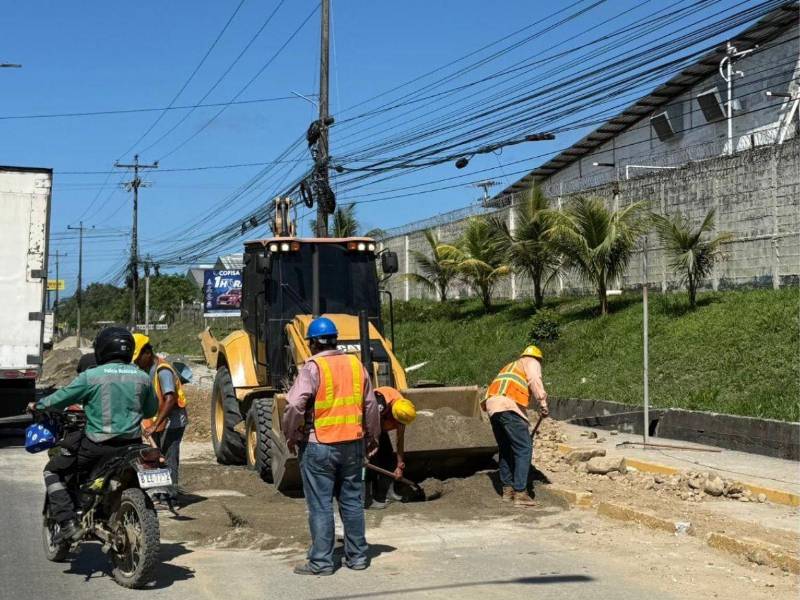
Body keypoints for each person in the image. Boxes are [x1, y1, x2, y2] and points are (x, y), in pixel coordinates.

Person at [29, 327, 158, 542]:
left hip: (98, 447)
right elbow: (151, 410)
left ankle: (68, 523)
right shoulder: (143, 377)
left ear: (102, 349)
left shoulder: (91, 376)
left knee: (53, 471)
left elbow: (61, 398)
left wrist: (38, 405)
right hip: (132, 446)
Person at [283, 317, 380, 576]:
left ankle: (321, 562)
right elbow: (370, 404)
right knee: (352, 502)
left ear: (313, 343)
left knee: (321, 505)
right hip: (353, 444)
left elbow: (294, 405)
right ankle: (358, 557)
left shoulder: (313, 367)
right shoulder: (355, 364)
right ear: (336, 340)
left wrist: (291, 434)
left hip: (320, 445)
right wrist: (372, 436)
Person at [483, 345, 549, 507]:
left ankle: (508, 490)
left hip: (493, 407)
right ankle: (521, 493)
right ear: (538, 358)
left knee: (506, 449)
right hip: (508, 406)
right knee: (524, 448)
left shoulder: (510, 366)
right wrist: (542, 402)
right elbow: (534, 380)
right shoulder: (532, 362)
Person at [132, 333, 188, 501]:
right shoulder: (146, 370)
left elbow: (170, 399)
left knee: (169, 456)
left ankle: (171, 494)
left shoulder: (163, 371)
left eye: (138, 358)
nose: (136, 362)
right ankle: (159, 491)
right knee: (156, 456)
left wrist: (155, 425)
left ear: (147, 353)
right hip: (157, 420)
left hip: (173, 422)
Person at [365, 386, 416, 509]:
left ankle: (388, 492)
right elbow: (368, 426)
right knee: (373, 461)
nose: (400, 426)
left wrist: (399, 465)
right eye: (399, 423)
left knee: (389, 457)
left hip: (380, 427)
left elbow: (400, 439)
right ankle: (369, 499)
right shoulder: (379, 403)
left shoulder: (403, 407)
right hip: (368, 428)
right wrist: (368, 448)